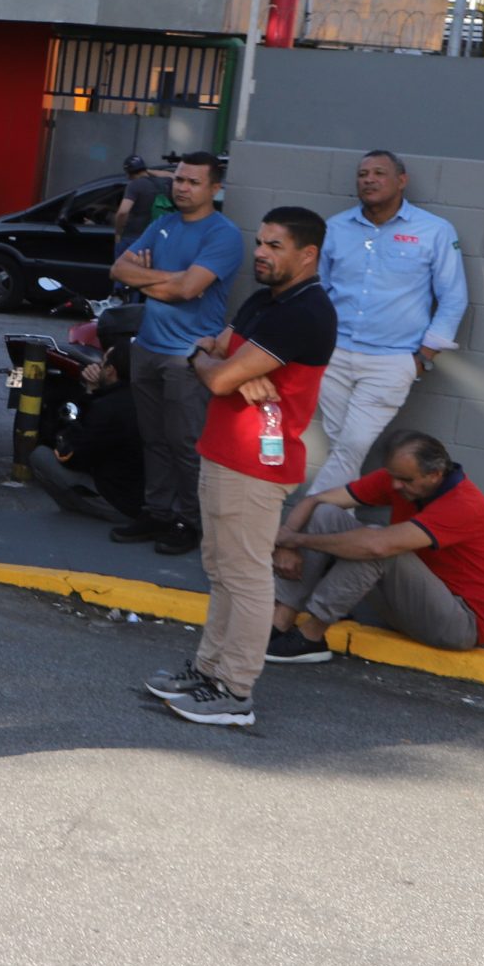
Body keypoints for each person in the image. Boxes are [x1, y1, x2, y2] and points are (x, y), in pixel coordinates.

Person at [141, 207, 336, 727]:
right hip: (224, 452)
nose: (261, 254)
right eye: (260, 242)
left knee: (247, 578)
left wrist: (219, 370)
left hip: (255, 466)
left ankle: (234, 690)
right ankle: (209, 671)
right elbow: (212, 348)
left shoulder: (305, 312)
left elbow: (218, 373)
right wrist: (217, 364)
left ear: (307, 254)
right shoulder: (264, 300)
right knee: (222, 572)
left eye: (275, 246)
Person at [309, 150, 467, 497]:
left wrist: (423, 356)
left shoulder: (434, 231)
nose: (368, 179)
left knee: (351, 444)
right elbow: (317, 291)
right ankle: (335, 532)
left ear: (401, 180)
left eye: (379, 173)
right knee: (345, 449)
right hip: (334, 355)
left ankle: (295, 529)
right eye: (363, 173)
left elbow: (454, 297)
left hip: (393, 361)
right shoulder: (335, 228)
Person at [109, 154, 244, 556]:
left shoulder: (223, 235)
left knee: (186, 442)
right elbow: (119, 269)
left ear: (214, 189)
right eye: (179, 180)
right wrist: (172, 279)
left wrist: (153, 280)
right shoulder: (162, 224)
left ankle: (190, 520)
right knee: (153, 439)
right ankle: (158, 512)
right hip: (148, 348)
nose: (182, 187)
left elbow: (190, 290)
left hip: (188, 356)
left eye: (193, 182)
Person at [267, 431, 484, 660]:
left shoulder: (463, 504)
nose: (395, 485)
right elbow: (315, 500)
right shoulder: (398, 479)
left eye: (405, 480)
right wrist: (287, 540)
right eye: (393, 476)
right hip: (410, 603)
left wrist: (298, 540)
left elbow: (378, 546)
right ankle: (281, 619)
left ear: (435, 474)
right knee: (326, 514)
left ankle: (311, 637)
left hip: (459, 624)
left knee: (377, 546)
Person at [27, 347, 145, 525]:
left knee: (41, 456)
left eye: (102, 363)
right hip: (144, 497)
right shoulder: (147, 399)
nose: (97, 367)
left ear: (111, 370)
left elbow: (73, 456)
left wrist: (90, 392)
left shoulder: (107, 407)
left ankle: (77, 510)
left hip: (119, 503)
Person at [112, 154, 167, 256]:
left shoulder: (134, 185)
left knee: (122, 269)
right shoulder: (162, 183)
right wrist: (147, 171)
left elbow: (123, 212)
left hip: (132, 236)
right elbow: (173, 175)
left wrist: (118, 233)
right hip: (154, 237)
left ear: (128, 173)